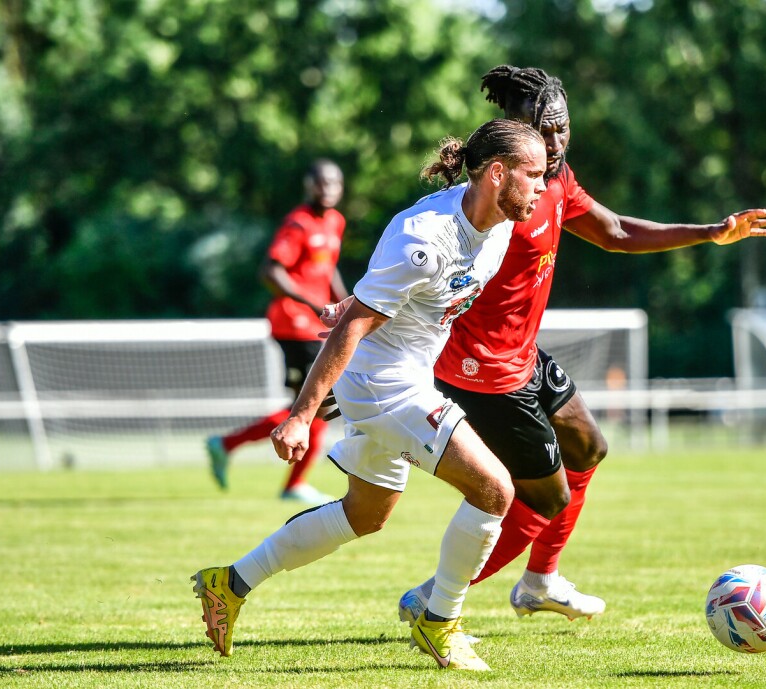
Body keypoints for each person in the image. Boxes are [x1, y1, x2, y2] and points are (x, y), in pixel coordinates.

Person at [397, 65, 766, 626]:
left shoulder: (555, 179)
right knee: (543, 497)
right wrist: (371, 357)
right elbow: (419, 273)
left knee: (588, 449)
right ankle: (436, 595)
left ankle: (539, 582)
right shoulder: (491, 200)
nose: (555, 143)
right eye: (542, 131)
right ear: (513, 131)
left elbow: (615, 231)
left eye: (563, 129)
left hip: (523, 358)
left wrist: (710, 232)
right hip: (483, 373)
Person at [191, 119, 549, 672]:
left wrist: (355, 320)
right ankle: (439, 621)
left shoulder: (499, 225)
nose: (542, 187)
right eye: (535, 174)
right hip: (386, 385)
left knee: (364, 514)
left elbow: (393, 305)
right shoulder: (425, 236)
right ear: (497, 173)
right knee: (494, 489)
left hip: (398, 379)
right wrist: (301, 415)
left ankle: (230, 583)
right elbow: (353, 325)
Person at [205, 159, 347, 504]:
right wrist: (314, 304)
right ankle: (288, 481)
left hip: (315, 324)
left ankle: (231, 446)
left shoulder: (335, 221)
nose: (327, 189)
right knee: (317, 403)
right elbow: (271, 271)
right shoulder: (298, 223)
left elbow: (327, 268)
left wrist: (347, 306)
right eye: (321, 182)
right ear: (308, 185)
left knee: (315, 404)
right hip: (294, 323)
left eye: (334, 183)